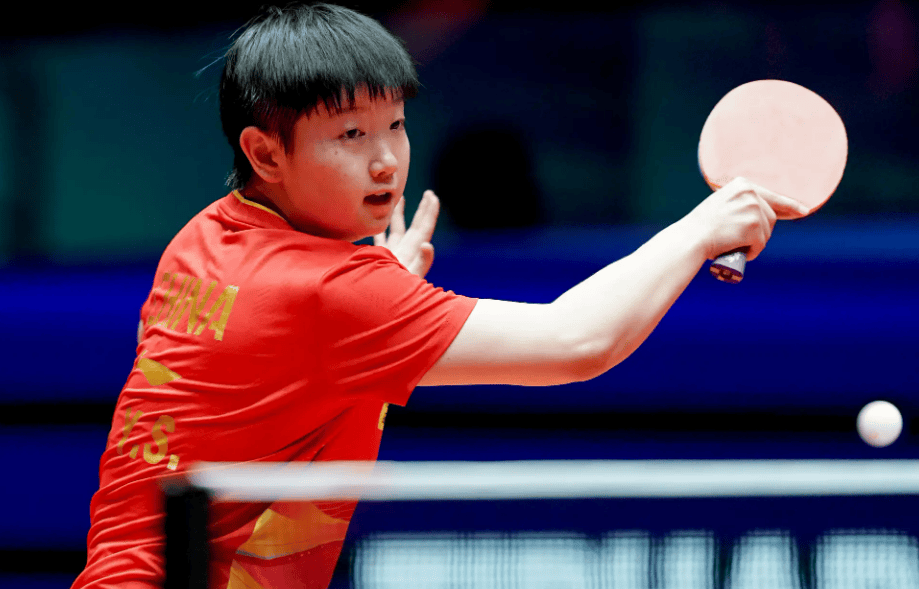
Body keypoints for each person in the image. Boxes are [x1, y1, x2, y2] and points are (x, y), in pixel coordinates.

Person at [72, 3, 808, 589]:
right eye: (350, 135)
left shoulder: (202, 239)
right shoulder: (332, 294)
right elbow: (576, 341)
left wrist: (380, 293)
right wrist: (699, 229)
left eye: (394, 124)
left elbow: (262, 371)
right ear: (264, 152)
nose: (385, 159)